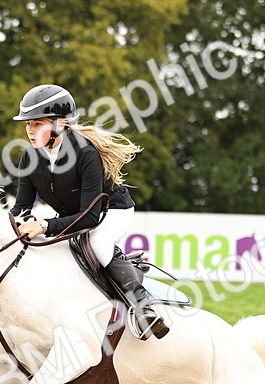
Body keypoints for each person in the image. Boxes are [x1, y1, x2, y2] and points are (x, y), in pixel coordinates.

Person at [10, 84, 168, 340]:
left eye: (37, 123)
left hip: (110, 211)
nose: (30, 130)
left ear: (59, 125)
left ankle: (143, 306)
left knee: (97, 243)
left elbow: (91, 218)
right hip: (74, 216)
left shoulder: (84, 153)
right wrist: (11, 225)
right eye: (28, 124)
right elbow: (21, 208)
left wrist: (45, 226)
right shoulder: (29, 158)